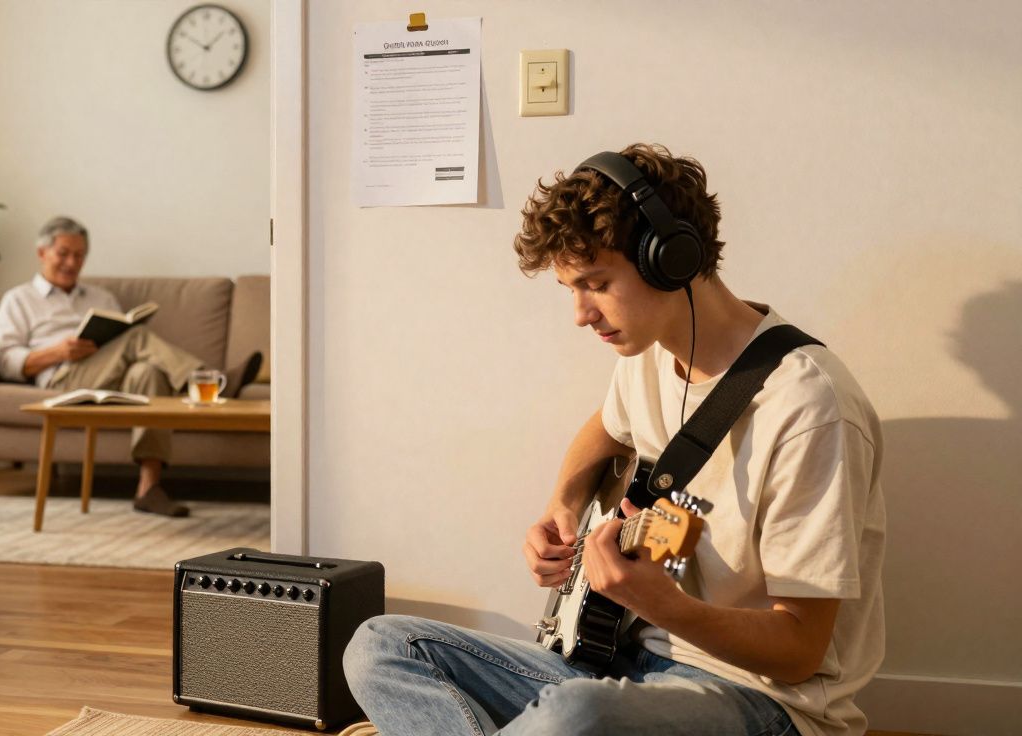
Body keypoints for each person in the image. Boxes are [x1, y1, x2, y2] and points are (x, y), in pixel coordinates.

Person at [342, 144, 884, 736]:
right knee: (381, 646)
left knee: (578, 714)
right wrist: (563, 505)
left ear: (671, 262)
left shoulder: (809, 406)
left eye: (595, 283)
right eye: (571, 288)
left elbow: (802, 650)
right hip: (620, 670)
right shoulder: (646, 357)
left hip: (761, 702)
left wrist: (667, 606)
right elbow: (603, 427)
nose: (580, 313)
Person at [0, 216, 262, 518]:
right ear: (42, 253)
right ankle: (212, 382)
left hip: (111, 378)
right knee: (136, 337)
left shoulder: (100, 297)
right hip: (62, 380)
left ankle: (148, 488)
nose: (72, 262)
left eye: (79, 255)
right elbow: (6, 361)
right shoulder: (18, 300)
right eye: (63, 253)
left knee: (148, 373)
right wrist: (57, 352)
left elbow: (121, 348)